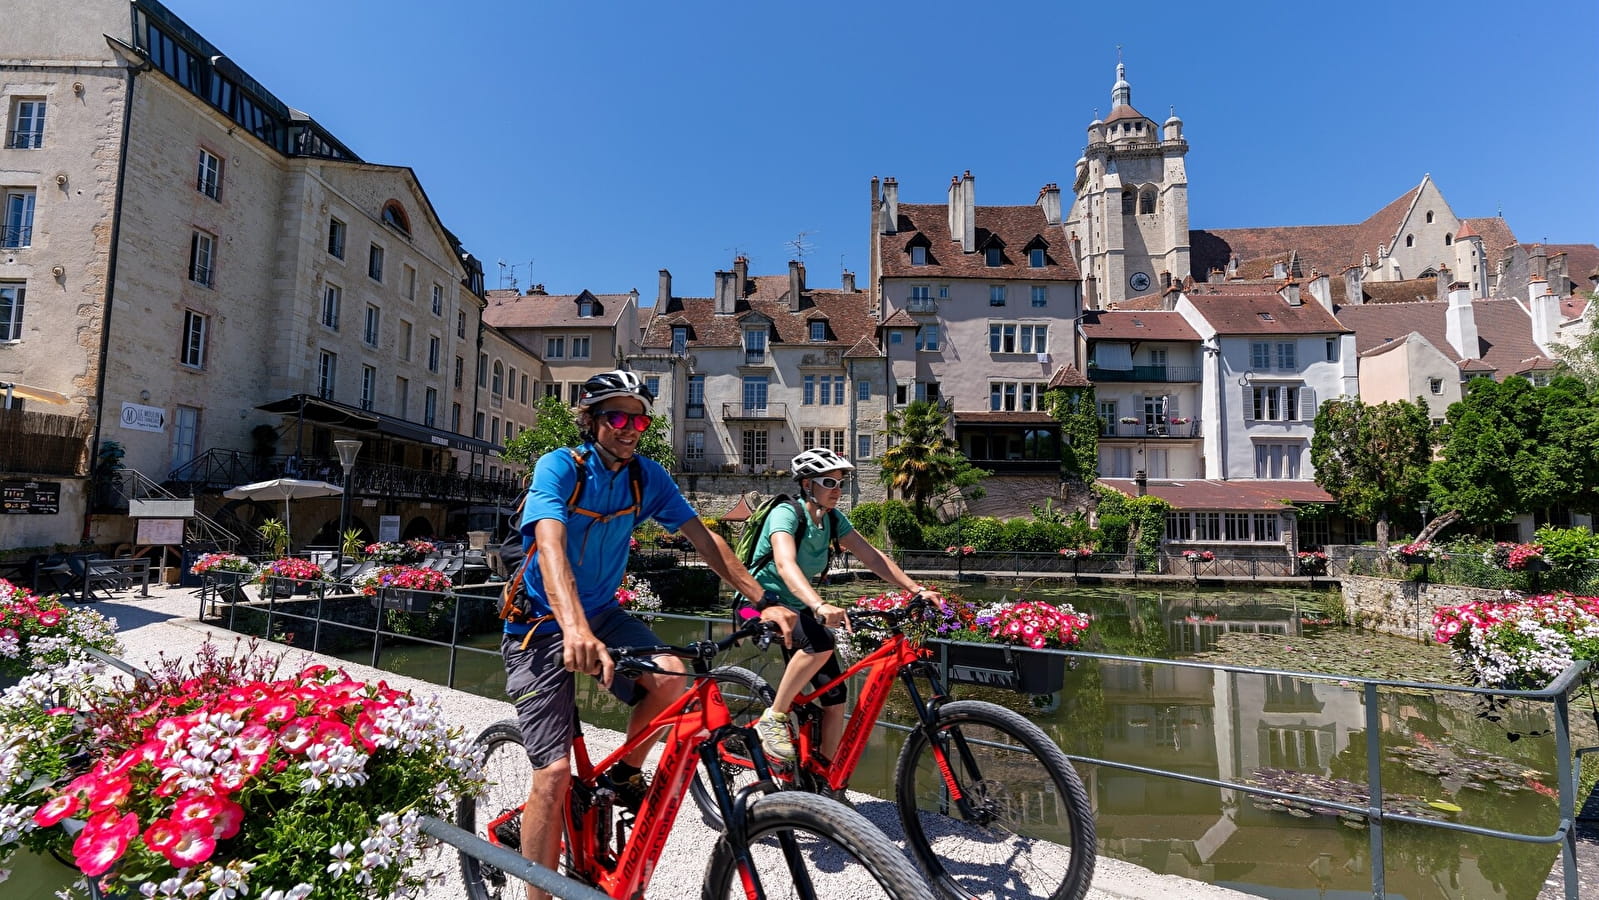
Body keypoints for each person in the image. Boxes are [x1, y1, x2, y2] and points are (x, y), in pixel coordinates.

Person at [501, 369, 781, 900]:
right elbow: (551, 544)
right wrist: (574, 629)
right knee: (555, 772)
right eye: (618, 417)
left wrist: (763, 600)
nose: (631, 428)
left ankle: (623, 774)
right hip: (539, 622)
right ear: (591, 421)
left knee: (673, 675)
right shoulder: (560, 466)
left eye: (639, 419)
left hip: (603, 614)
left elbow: (707, 541)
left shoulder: (645, 477)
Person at [746, 448, 941, 777]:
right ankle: (774, 718)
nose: (838, 489)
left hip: (796, 606)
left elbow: (872, 556)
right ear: (808, 485)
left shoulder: (833, 519)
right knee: (820, 643)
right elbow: (784, 563)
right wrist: (819, 605)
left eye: (841, 482)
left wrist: (916, 589)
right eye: (829, 482)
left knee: (835, 698)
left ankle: (824, 781)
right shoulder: (786, 513)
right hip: (758, 605)